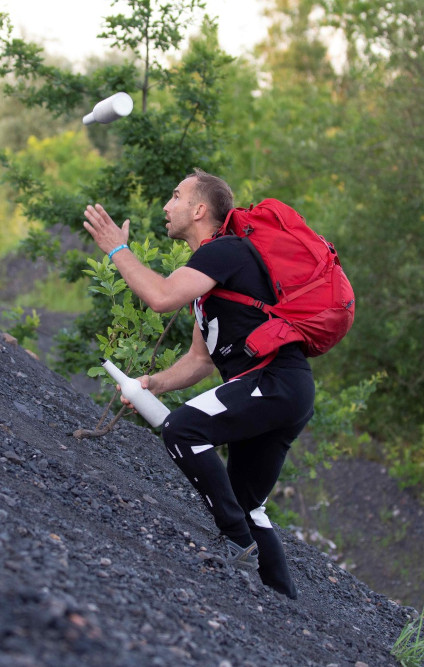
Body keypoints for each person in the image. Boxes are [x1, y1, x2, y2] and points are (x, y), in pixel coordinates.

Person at [82, 169, 314, 599]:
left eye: (175, 196)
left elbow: (161, 297)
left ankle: (237, 543)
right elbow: (200, 361)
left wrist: (116, 249)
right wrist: (153, 383)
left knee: (182, 429)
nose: (166, 206)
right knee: (249, 504)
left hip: (274, 382)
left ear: (199, 210)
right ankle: (284, 604)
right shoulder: (213, 279)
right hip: (284, 391)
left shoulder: (226, 250)